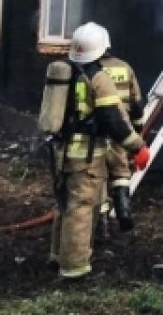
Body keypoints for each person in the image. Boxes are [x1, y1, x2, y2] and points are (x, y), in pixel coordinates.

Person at [44, 22, 150, 280]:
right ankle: (74, 268)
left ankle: (58, 255)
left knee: (64, 204)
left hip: (61, 152)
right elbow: (113, 119)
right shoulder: (98, 78)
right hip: (86, 155)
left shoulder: (65, 71)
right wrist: (138, 146)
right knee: (82, 208)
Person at [97, 49, 146, 232]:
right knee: (120, 170)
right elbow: (136, 103)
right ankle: (124, 212)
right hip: (122, 128)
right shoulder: (124, 67)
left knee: (98, 173)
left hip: (98, 128)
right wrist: (137, 130)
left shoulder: (90, 69)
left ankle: (101, 225)